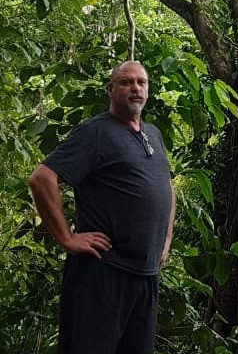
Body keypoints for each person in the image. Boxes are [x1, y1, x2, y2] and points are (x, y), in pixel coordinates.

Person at [28, 60, 175, 354]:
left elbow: (167, 189)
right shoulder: (95, 132)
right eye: (126, 82)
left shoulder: (153, 134)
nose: (135, 88)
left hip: (145, 276)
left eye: (141, 83)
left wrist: (166, 239)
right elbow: (41, 179)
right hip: (104, 273)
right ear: (110, 90)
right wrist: (67, 239)